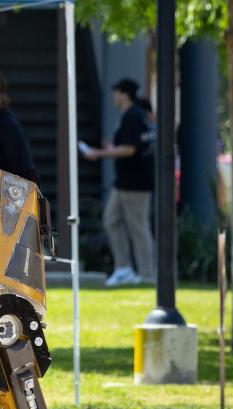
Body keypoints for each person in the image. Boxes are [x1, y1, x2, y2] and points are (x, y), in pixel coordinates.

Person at [83, 78, 156, 286]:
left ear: (124, 94)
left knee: (138, 228)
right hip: (123, 181)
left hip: (136, 182)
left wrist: (100, 153)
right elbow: (126, 144)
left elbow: (130, 149)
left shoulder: (134, 115)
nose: (113, 96)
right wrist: (111, 147)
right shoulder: (129, 116)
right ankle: (123, 268)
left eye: (116, 92)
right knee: (111, 220)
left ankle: (147, 275)